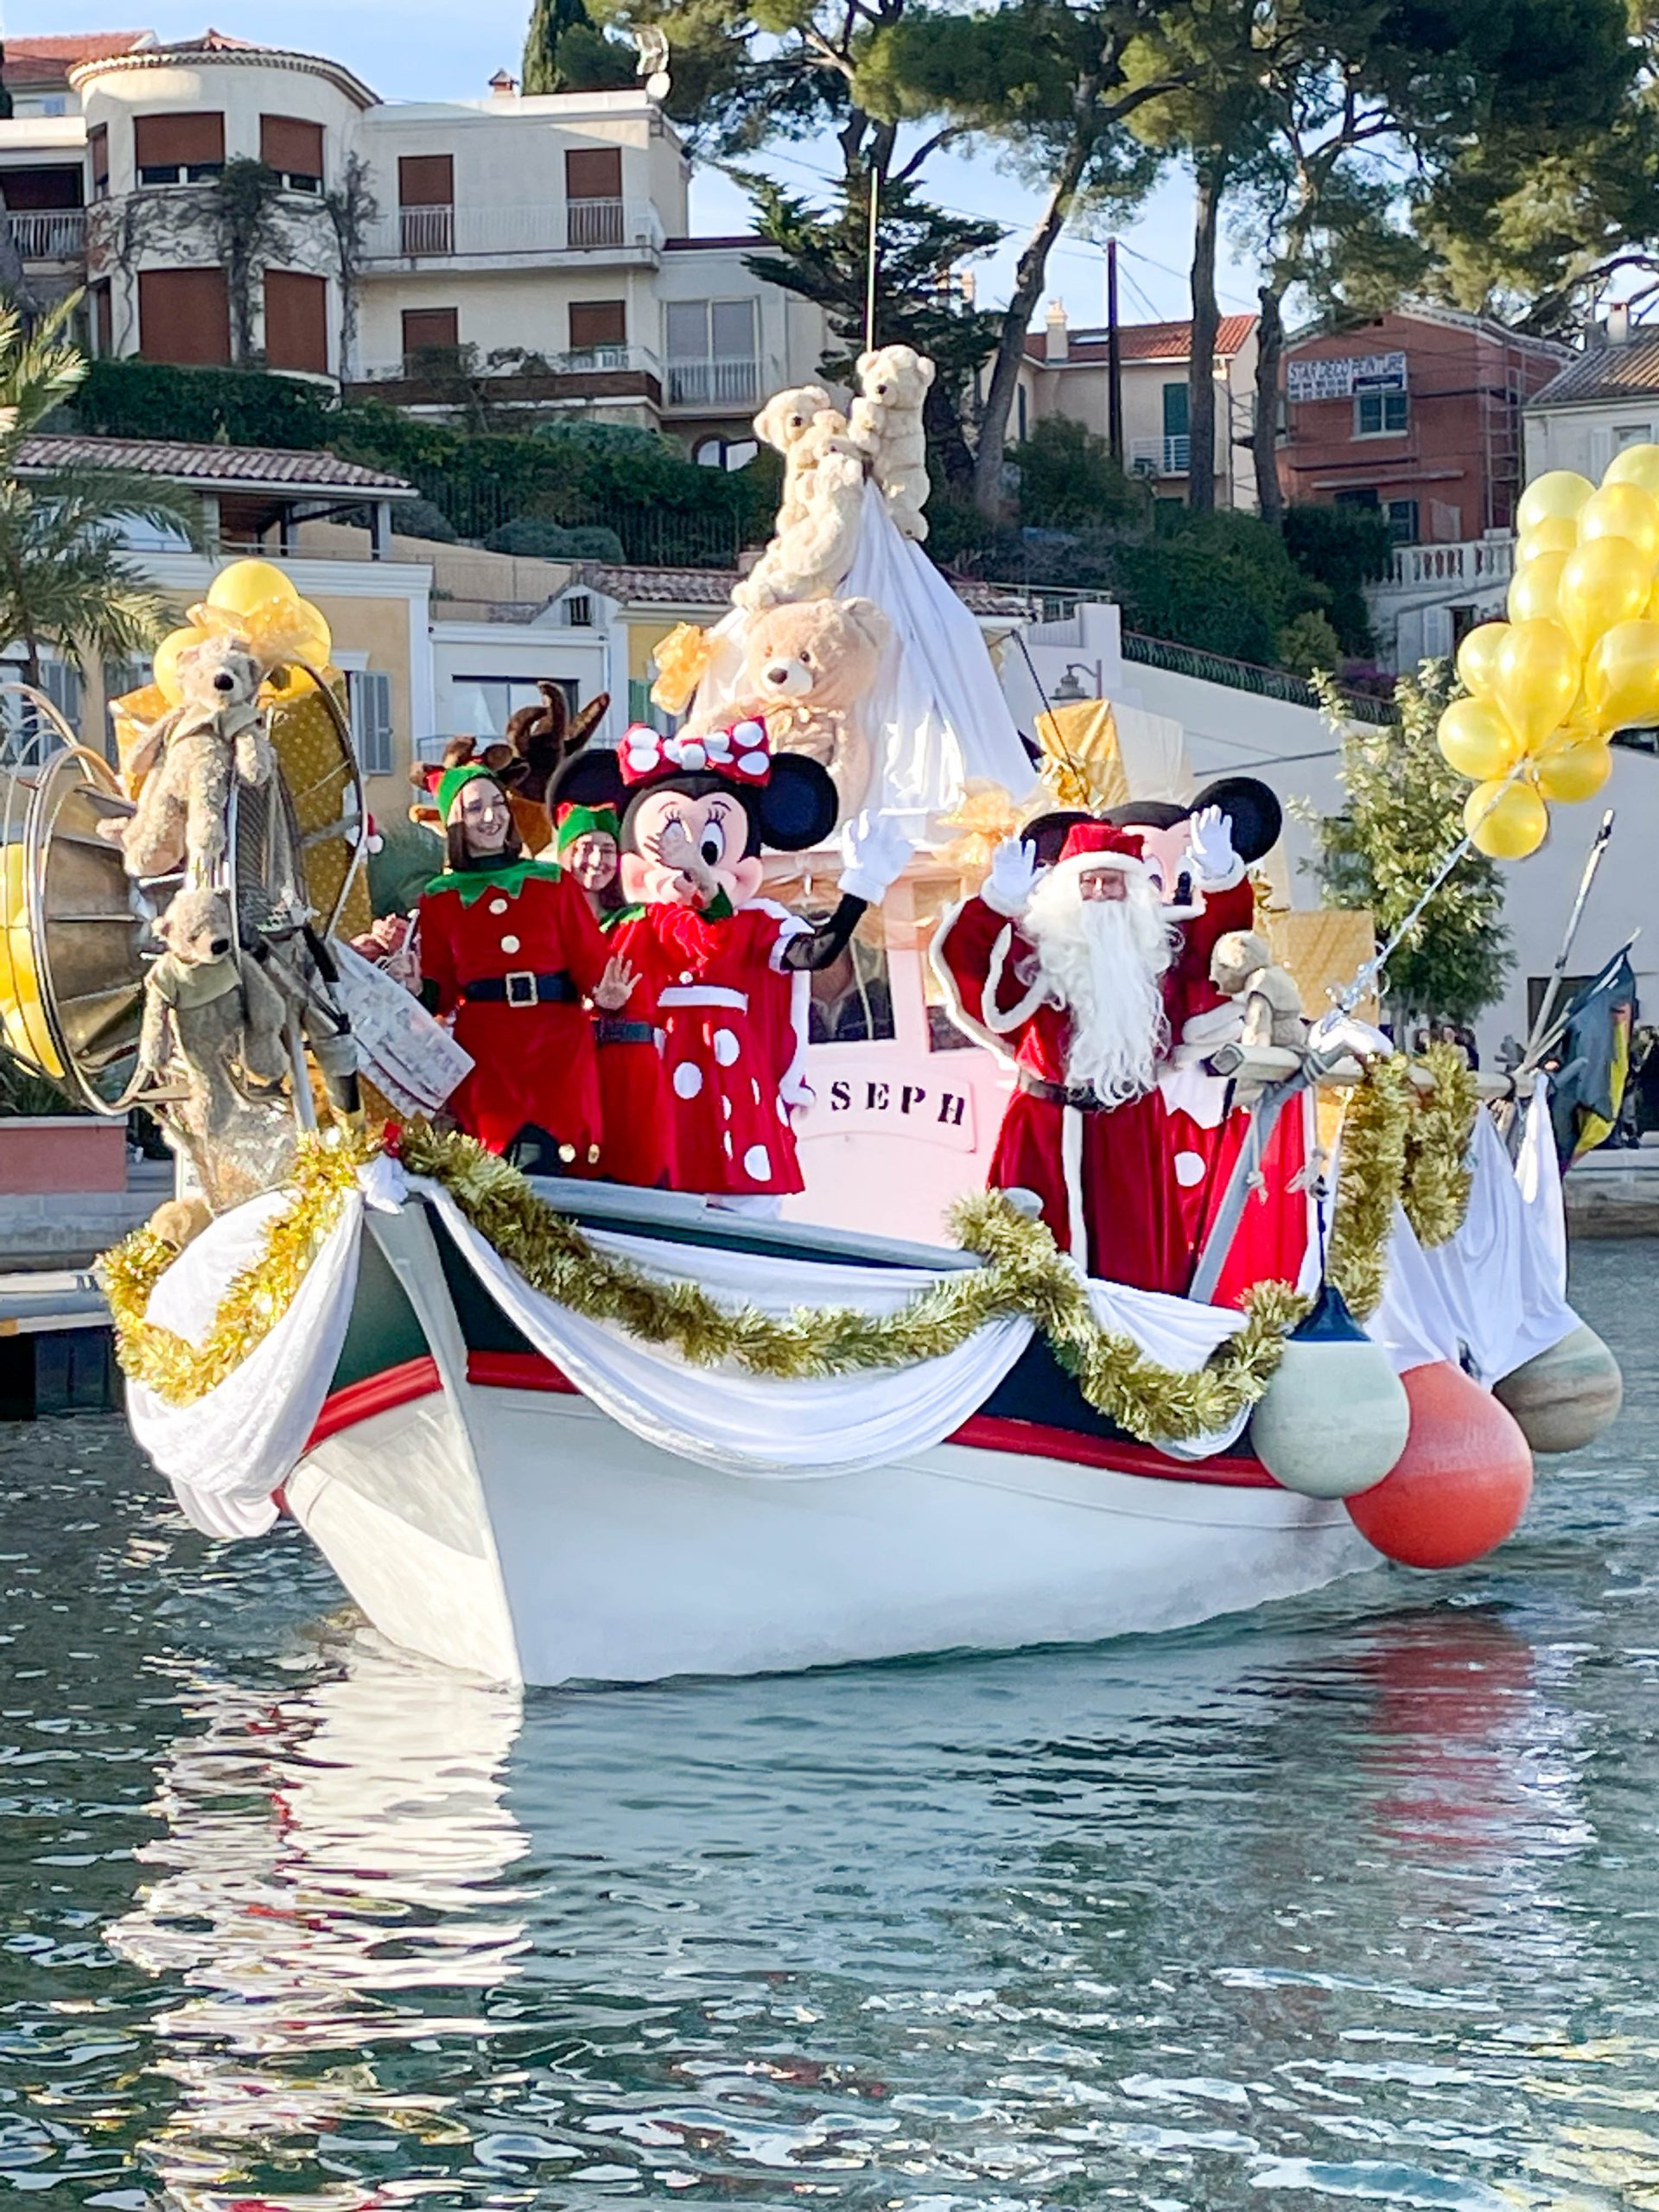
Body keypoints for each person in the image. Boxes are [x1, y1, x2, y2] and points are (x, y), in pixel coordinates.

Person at [933, 809, 1310, 1298]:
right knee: (1027, 1268)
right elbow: (970, 969)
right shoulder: (1037, 957)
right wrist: (995, 903)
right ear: (1067, 891)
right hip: (1042, 1129)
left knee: (1136, 1271)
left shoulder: (1154, 958)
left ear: (1133, 893)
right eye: (1089, 882)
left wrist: (1223, 882)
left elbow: (1216, 959)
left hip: (1131, 1129)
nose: (1100, 894)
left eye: (1113, 883)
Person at [550, 716, 911, 1210]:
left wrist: (860, 889)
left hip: (724, 1064)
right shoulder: (625, 923)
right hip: (641, 1063)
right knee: (648, 1177)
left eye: (708, 850)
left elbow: (815, 952)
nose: (689, 865)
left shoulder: (755, 920)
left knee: (734, 1181)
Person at [417, 763, 633, 1171]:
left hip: (558, 1047)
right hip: (489, 1053)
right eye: (475, 807)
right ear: (453, 824)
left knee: (563, 1165)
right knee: (501, 1169)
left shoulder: (552, 881)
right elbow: (440, 989)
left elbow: (591, 962)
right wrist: (414, 989)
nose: (491, 816)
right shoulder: (438, 897)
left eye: (498, 803)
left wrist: (606, 997)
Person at [554, 798, 675, 1190]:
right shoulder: (546, 923)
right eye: (584, 847)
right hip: (572, 1065)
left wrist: (693, 869)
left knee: (639, 1167)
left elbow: (710, 929)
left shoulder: (645, 919)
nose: (595, 859)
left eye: (606, 849)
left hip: (632, 1066)